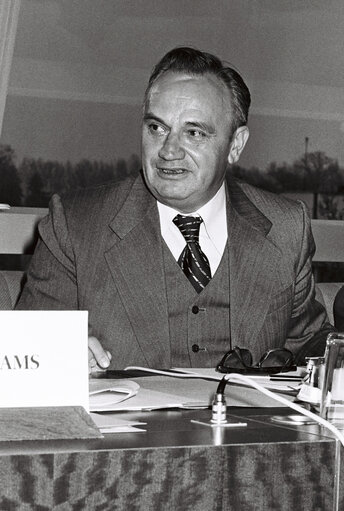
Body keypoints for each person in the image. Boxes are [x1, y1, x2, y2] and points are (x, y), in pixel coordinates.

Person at [16, 46, 333, 372]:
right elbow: (24, 356)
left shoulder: (285, 228)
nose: (168, 151)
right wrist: (58, 356)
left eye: (193, 133)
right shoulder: (75, 224)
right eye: (157, 128)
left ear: (235, 145)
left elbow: (310, 342)